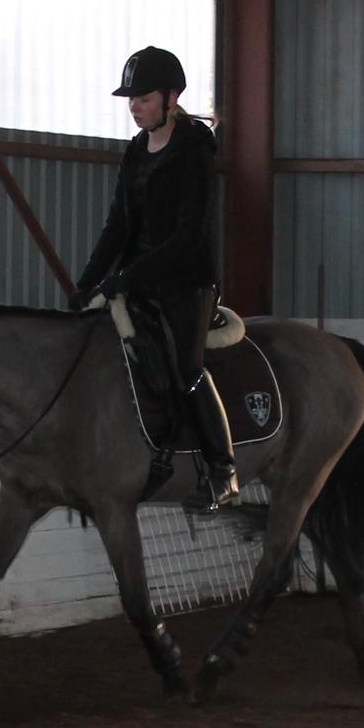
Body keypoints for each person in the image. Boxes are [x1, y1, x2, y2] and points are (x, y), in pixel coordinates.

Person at [69, 46, 239, 513]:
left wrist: (122, 279)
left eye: (142, 98)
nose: (134, 106)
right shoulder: (135, 152)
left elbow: (189, 235)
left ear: (171, 97)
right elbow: (117, 227)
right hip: (135, 280)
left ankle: (223, 472)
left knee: (186, 370)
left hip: (186, 282)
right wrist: (86, 284)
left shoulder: (194, 148)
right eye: (131, 99)